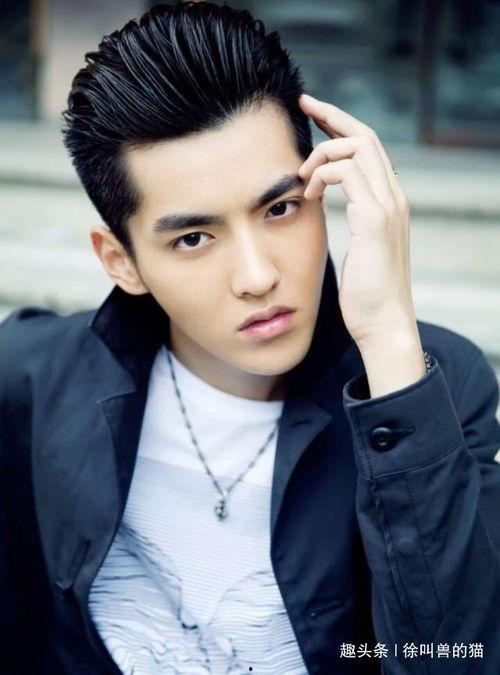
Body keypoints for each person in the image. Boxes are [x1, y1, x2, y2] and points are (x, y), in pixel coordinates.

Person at [1, 2, 499, 673]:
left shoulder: (427, 385)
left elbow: (455, 656)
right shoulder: (32, 379)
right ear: (121, 261)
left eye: (281, 208)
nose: (259, 276)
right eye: (193, 238)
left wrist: (387, 336)